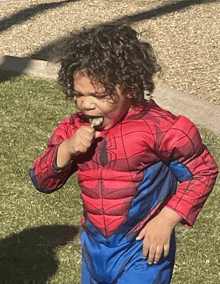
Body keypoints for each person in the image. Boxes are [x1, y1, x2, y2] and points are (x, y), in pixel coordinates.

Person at [29, 24, 218, 284]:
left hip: (142, 250)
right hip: (95, 251)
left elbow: (203, 171)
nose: (86, 103)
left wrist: (166, 220)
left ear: (129, 88)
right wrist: (66, 149)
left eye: (99, 95)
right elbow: (41, 181)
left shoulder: (162, 128)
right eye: (79, 94)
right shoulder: (73, 128)